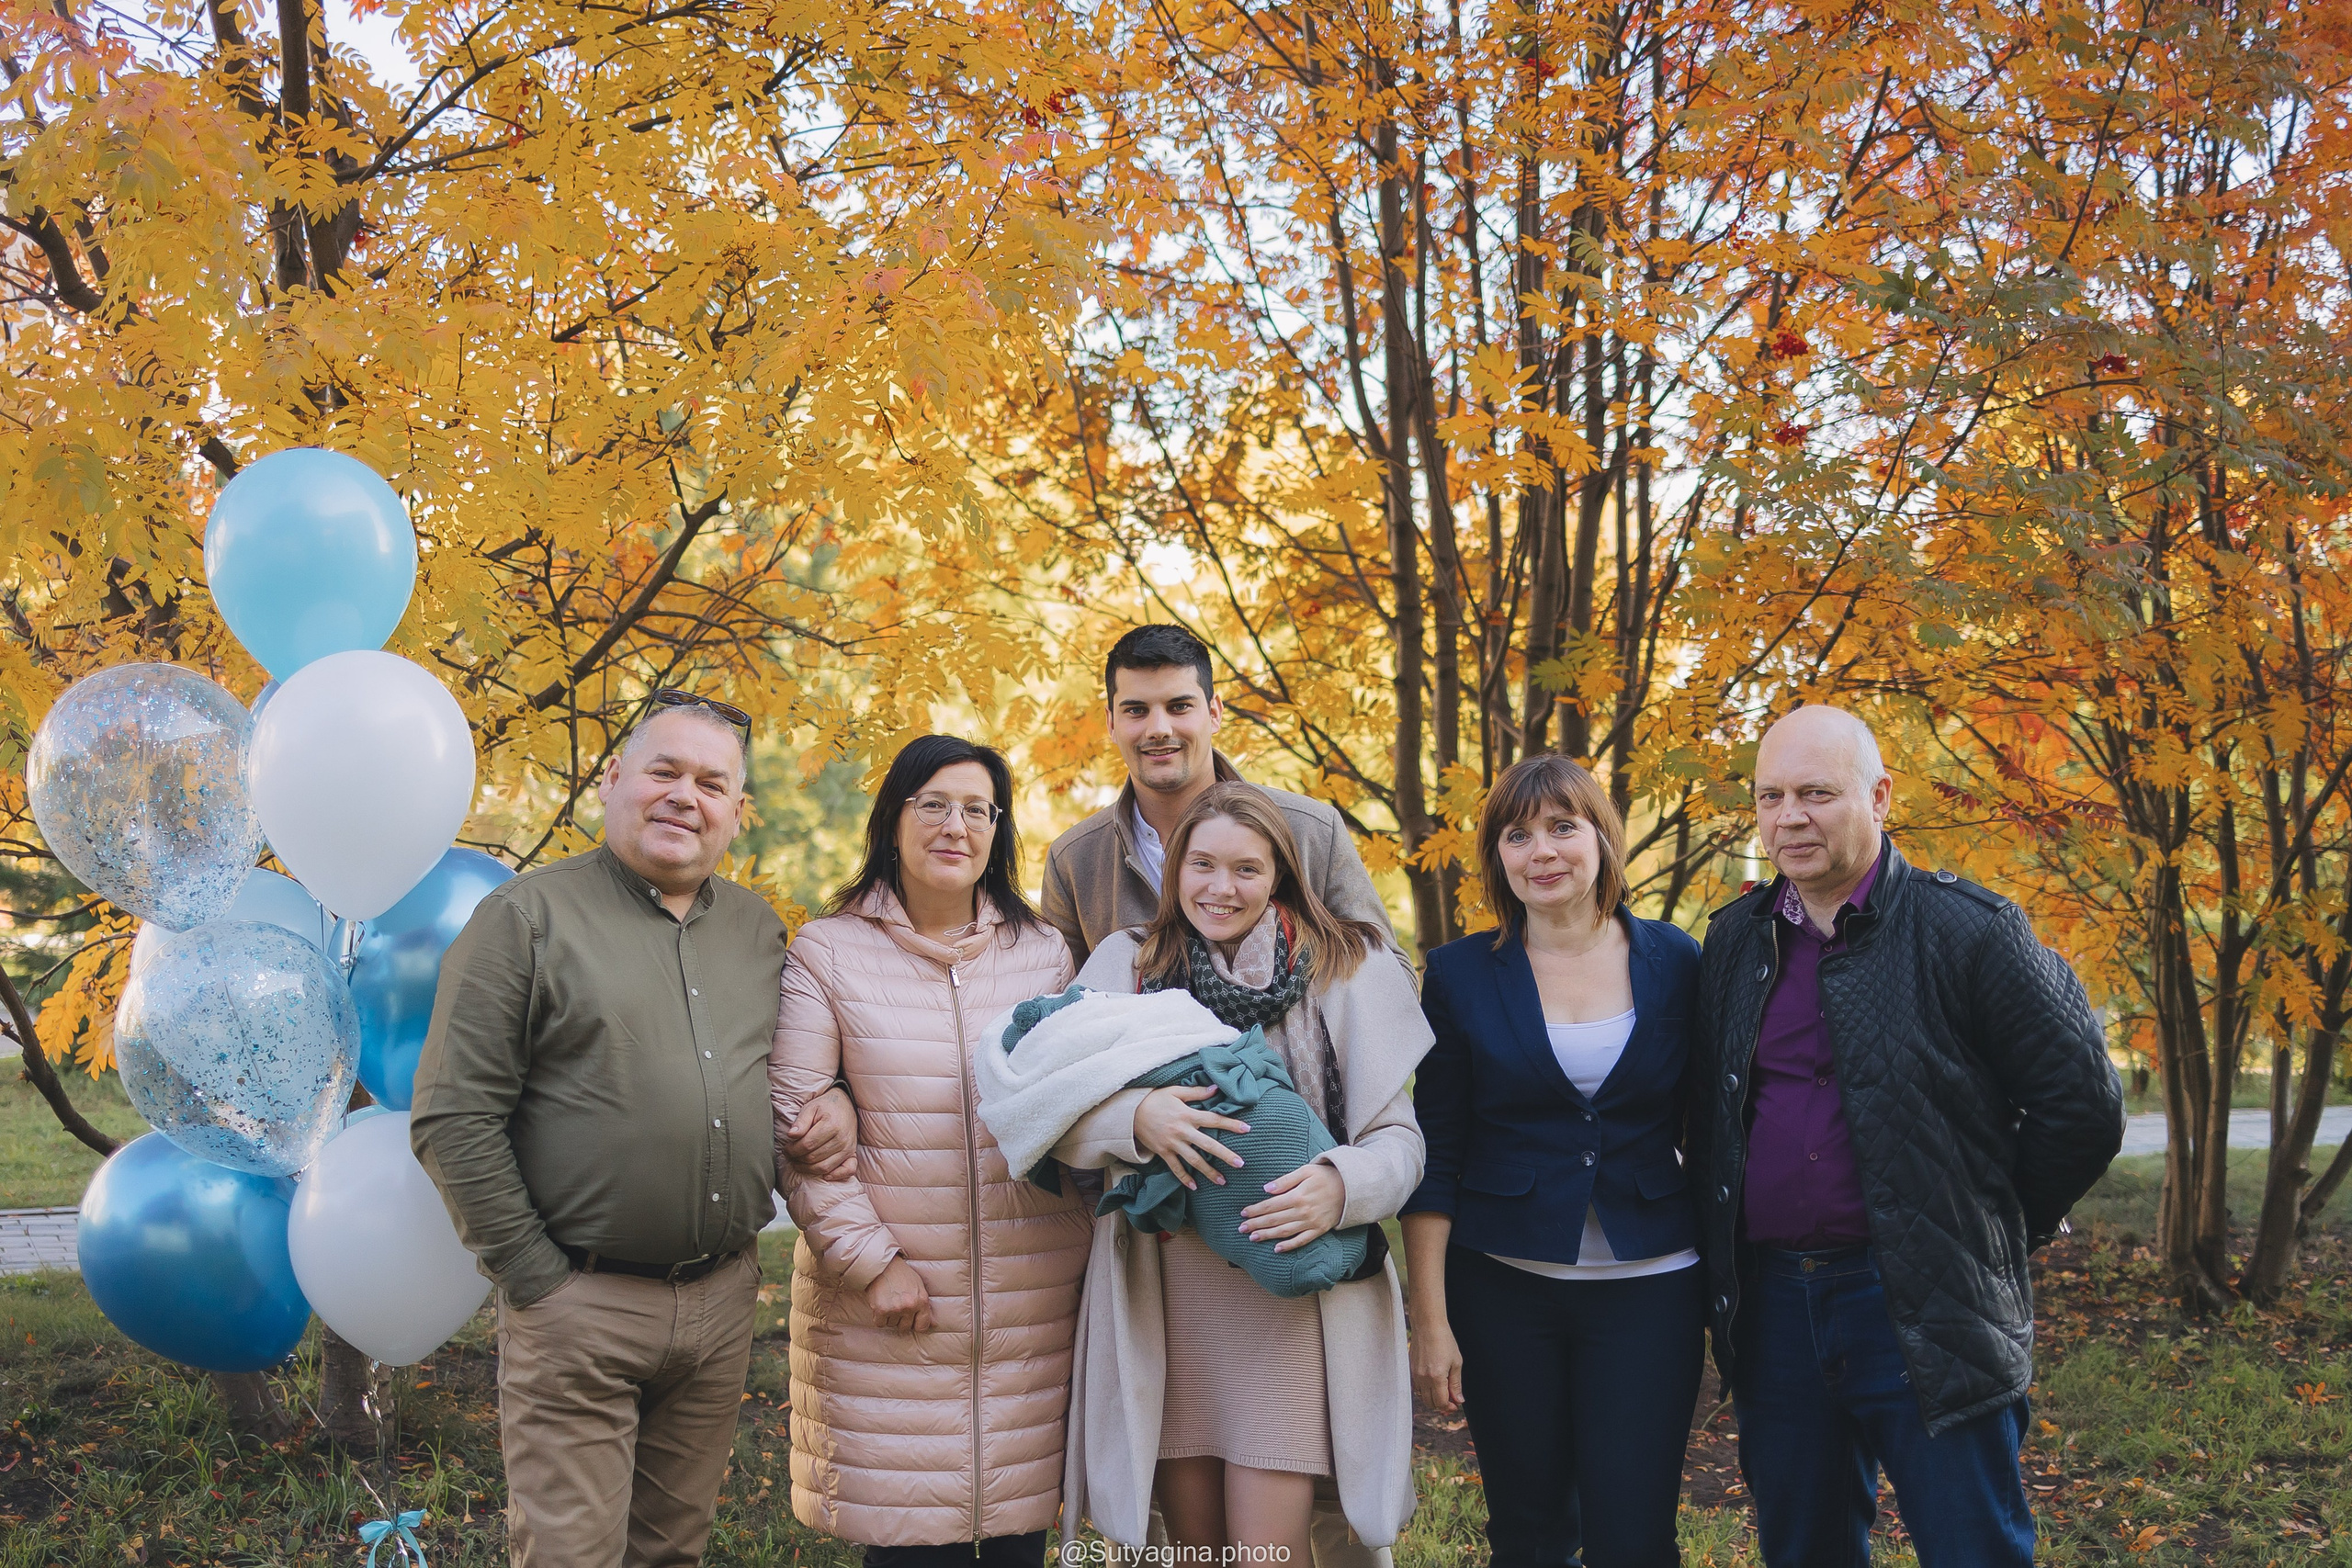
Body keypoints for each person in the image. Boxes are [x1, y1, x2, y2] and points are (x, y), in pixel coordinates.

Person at [411, 691, 847, 1568]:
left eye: (712, 782)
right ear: (613, 780)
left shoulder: (761, 932)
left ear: (734, 811)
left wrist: (831, 1094)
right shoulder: (525, 919)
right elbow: (454, 1115)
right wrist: (538, 1280)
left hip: (721, 1304)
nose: (687, 795)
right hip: (579, 1304)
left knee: (669, 1554)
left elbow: (800, 1066)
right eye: (665, 771)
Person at [1689, 705, 2124, 1567]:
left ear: (1880, 795)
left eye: (1816, 792)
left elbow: (2082, 1106)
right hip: (1774, 1311)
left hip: (1926, 1304)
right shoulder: (1734, 941)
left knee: (1974, 1549)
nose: (1789, 817)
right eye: (1771, 796)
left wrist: (1988, 1223)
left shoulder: (1971, 930)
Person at [1048, 783, 1433, 1562]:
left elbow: (1402, 1144)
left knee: (1268, 1549)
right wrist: (1136, 1119)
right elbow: (1046, 1109)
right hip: (1163, 1294)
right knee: (1194, 1548)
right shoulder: (1127, 963)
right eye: (1203, 864)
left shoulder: (1342, 967)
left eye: (1247, 869)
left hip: (1289, 1294)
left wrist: (1341, 1184)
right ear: (1174, 868)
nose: (1222, 888)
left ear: (1281, 876)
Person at [768, 735, 1091, 1566]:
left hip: (1032, 1311)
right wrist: (874, 1264)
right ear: (894, 818)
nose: (957, 824)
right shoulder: (827, 952)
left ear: (998, 829)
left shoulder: (1046, 955)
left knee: (1020, 1540)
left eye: (978, 808)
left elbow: (1082, 1103)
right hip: (892, 1312)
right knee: (912, 1545)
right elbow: (797, 1130)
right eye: (934, 803)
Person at [1400, 755, 1705, 1568]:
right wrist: (1431, 1321)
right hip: (1503, 1288)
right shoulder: (1461, 974)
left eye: (1563, 827)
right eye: (1517, 833)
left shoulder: (1677, 960)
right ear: (1498, 855)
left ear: (1600, 836)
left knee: (1635, 1538)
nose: (1542, 850)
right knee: (1529, 1535)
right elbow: (1438, 1151)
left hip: (1652, 1288)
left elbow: (1715, 1130)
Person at [1041, 624, 1396, 971]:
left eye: (1179, 707)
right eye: (1136, 710)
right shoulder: (1074, 861)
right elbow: (1059, 1012)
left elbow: (1388, 975)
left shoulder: (1311, 831)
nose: (1159, 729)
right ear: (1111, 724)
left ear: (1214, 713)